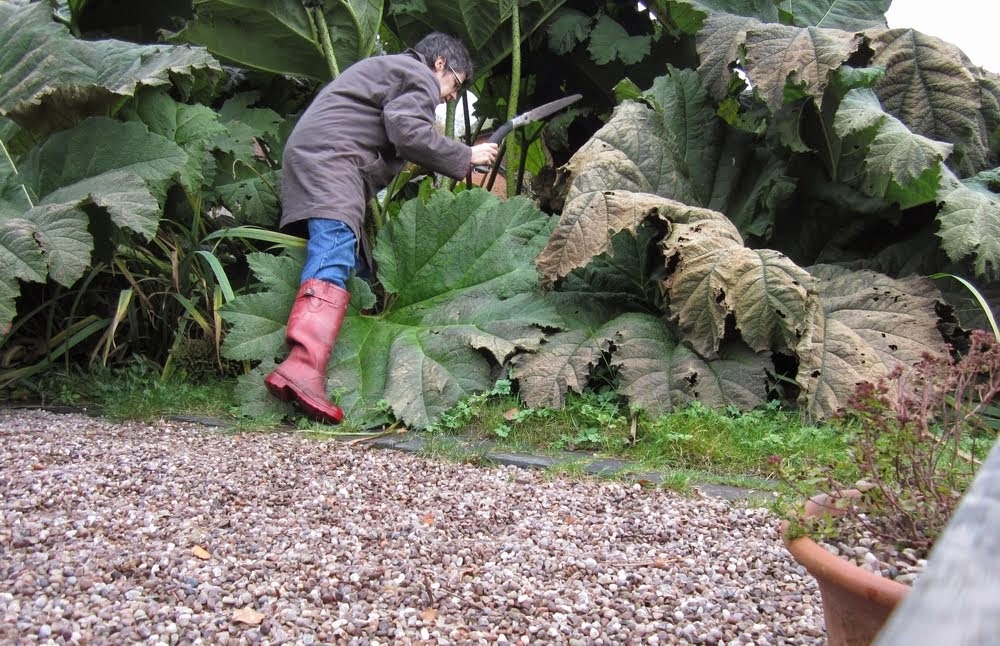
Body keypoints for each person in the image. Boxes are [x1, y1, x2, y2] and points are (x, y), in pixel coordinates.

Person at [264, 32, 499, 424]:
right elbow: (408, 133)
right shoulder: (416, 73)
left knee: (356, 265)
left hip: (323, 157)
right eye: (456, 84)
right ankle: (301, 367)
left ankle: (321, 374)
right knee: (334, 250)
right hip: (332, 161)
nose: (451, 97)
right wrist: (466, 154)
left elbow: (395, 133)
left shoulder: (390, 70)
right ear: (439, 63)